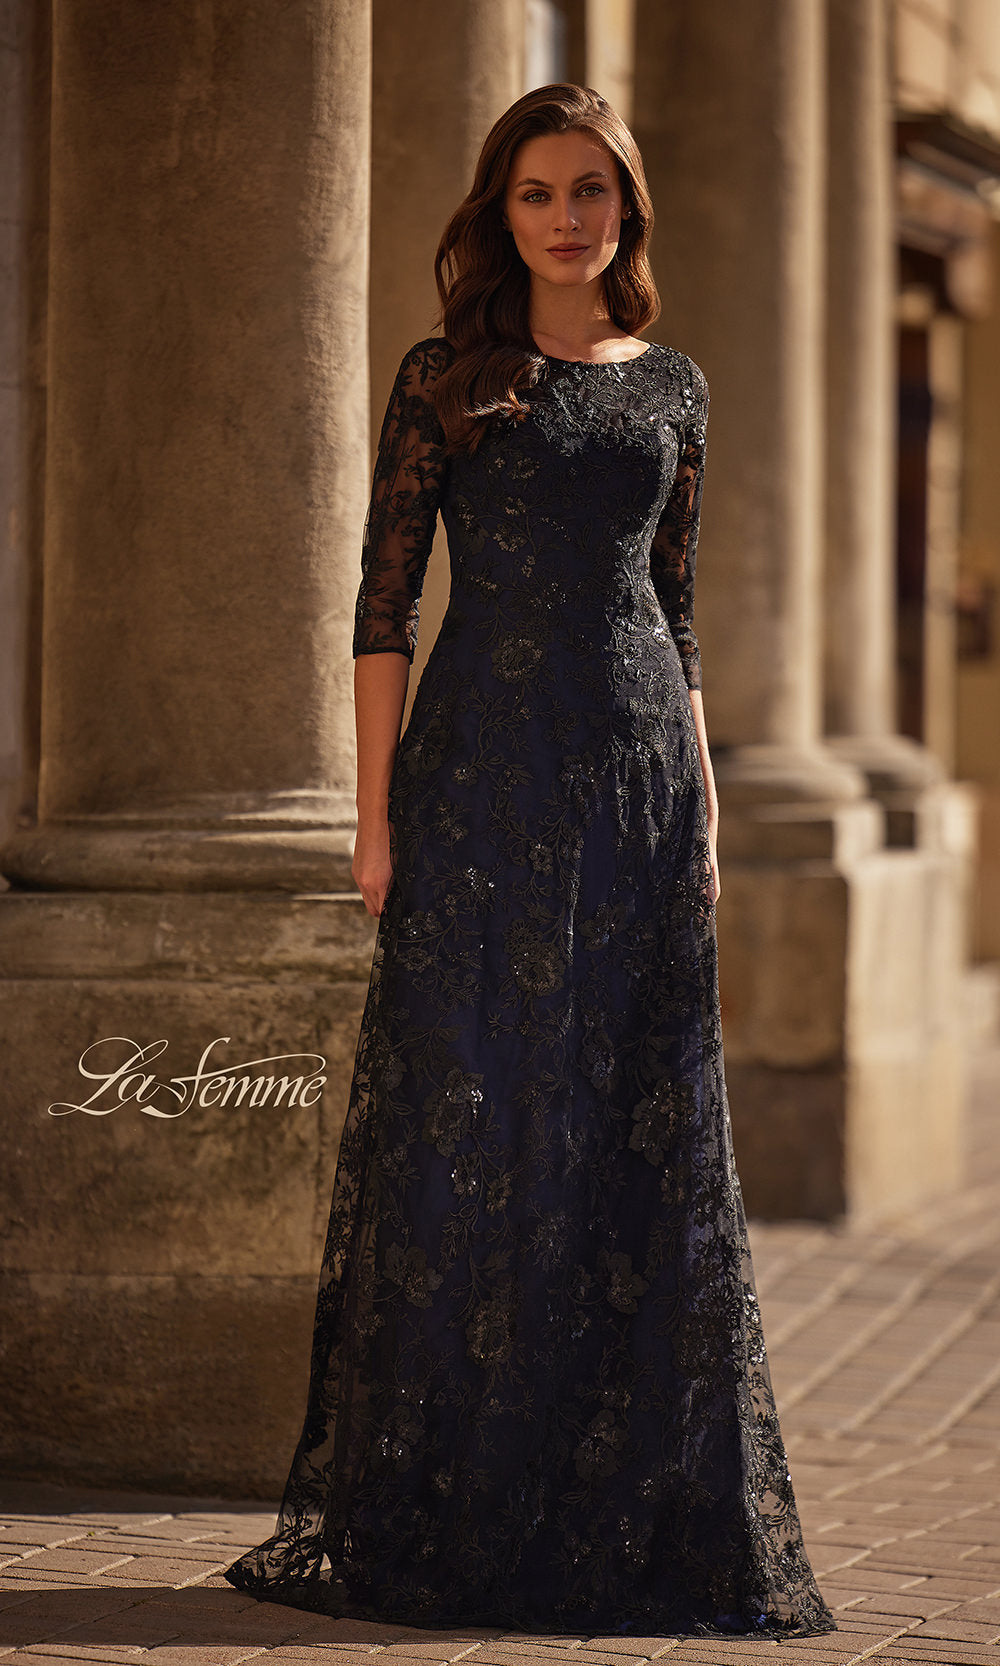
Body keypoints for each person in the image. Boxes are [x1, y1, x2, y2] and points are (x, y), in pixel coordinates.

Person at [223, 82, 837, 1641]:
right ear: (501, 218)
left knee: (632, 1142)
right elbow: (382, 612)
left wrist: (697, 799)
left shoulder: (679, 389)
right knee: (478, 1127)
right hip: (485, 795)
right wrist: (372, 817)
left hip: (637, 792)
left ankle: (624, 1502)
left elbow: (676, 618)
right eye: (537, 195)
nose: (568, 217)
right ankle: (456, 1494)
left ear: (625, 207)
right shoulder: (450, 380)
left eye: (590, 191)